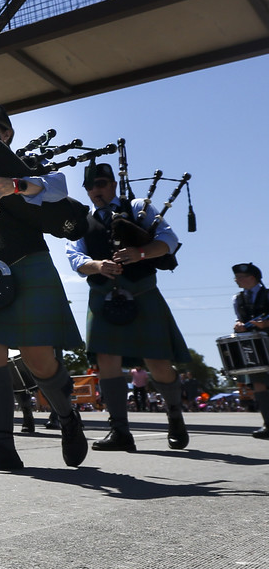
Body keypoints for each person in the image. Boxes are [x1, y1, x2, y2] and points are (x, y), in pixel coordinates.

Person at [0, 102, 89, 471]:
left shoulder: (31, 166)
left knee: (38, 358)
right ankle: (3, 446)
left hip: (29, 264)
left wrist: (17, 185)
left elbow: (59, 189)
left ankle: (68, 417)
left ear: (6, 133)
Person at [65, 161, 191, 451]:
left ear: (112, 185)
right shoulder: (84, 221)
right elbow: (75, 258)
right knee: (107, 361)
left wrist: (141, 253)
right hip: (103, 296)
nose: (95, 191)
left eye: (100, 184)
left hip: (143, 292)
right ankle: (120, 431)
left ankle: (174, 416)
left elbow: (169, 240)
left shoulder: (137, 207)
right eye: (90, 186)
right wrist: (98, 265)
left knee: (158, 362)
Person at [230, 262, 269, 439]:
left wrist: (266, 324)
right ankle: (268, 424)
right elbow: (240, 319)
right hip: (254, 347)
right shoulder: (237, 298)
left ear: (251, 278)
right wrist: (239, 325)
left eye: (239, 277)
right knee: (259, 383)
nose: (236, 280)